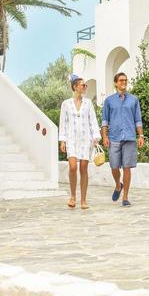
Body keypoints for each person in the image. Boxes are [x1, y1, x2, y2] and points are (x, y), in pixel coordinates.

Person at [101, 72, 144, 207]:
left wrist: (141, 136)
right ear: (116, 83)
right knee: (114, 166)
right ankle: (118, 185)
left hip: (130, 137)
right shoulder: (109, 101)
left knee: (127, 167)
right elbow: (105, 121)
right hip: (114, 137)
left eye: (125, 80)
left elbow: (138, 120)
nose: (124, 82)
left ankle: (125, 197)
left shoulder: (134, 100)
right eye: (121, 80)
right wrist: (105, 136)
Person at [59, 75, 100, 209]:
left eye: (85, 85)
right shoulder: (66, 104)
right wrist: (62, 140)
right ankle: (72, 196)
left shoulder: (88, 103)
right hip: (71, 139)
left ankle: (83, 199)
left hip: (85, 139)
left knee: (83, 168)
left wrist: (96, 137)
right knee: (72, 167)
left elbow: (92, 120)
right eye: (83, 85)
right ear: (75, 87)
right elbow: (63, 123)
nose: (85, 87)